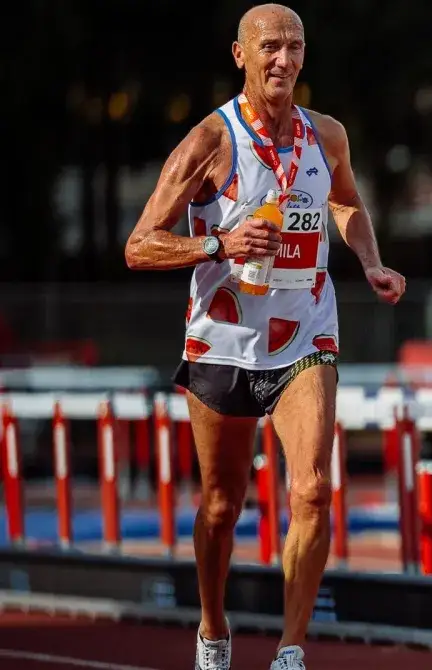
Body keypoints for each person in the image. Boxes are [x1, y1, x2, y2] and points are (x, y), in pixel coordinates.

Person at [123, 5, 405, 669]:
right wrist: (218, 241)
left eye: (295, 47)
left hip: (306, 332)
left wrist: (369, 262)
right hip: (223, 341)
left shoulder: (325, 134)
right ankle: (214, 631)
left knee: (310, 488)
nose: (284, 60)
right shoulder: (208, 142)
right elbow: (139, 245)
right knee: (222, 506)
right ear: (240, 55)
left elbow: (348, 203)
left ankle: (290, 650)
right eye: (270, 47)